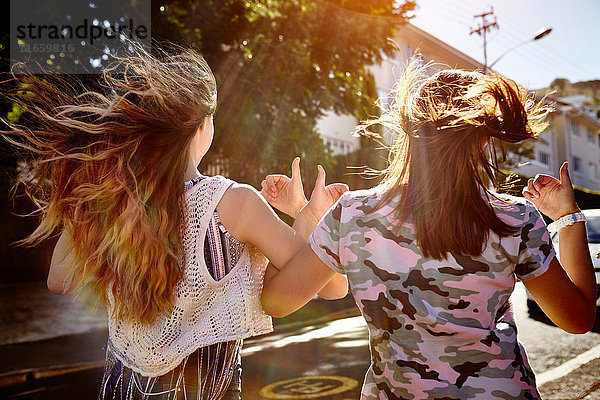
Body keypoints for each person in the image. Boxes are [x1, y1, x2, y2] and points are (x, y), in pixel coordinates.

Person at [1, 44, 348, 399]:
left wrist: (95, 198)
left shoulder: (121, 204)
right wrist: (308, 214)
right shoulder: (236, 203)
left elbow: (59, 281)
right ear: (202, 127)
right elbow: (332, 286)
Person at [260, 63, 596, 399]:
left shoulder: (352, 214)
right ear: (482, 142)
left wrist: (305, 217)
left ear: (408, 132)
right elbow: (578, 319)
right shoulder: (515, 219)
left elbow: (276, 302)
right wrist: (566, 217)